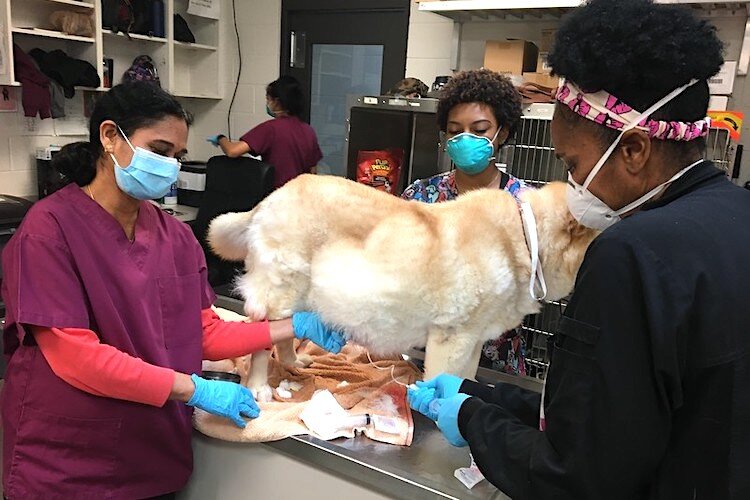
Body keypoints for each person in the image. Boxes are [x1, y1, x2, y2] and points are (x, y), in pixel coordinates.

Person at [409, 0, 750, 498]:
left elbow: (579, 473)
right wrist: (486, 397)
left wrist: (474, 421)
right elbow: (631, 414)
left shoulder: (631, 253)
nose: (572, 186)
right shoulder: (735, 213)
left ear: (633, 150)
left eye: (572, 162)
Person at [0, 82, 345, 499]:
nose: (170, 167)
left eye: (177, 157)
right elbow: (75, 356)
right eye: (159, 151)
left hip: (153, 453)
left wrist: (296, 325)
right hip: (71, 458)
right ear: (110, 136)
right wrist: (195, 389)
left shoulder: (175, 238)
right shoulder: (48, 231)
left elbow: (203, 333)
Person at [401, 69, 529, 376]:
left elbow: (533, 285)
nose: (464, 140)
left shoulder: (524, 205)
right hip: (422, 354)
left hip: (494, 363)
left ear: (504, 133)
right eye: (455, 131)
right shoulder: (421, 195)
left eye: (480, 130)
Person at [207, 75, 323, 189]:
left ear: (277, 102)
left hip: (277, 197)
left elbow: (232, 151)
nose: (267, 103)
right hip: (300, 197)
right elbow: (313, 171)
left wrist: (221, 138)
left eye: (268, 99)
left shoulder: (271, 128)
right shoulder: (308, 131)